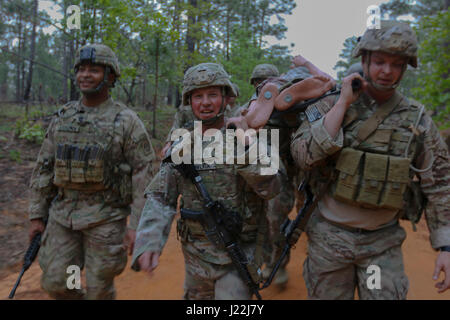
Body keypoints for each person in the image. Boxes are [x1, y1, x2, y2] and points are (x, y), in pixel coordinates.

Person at [290, 20, 450, 299]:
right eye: (379, 61)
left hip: (380, 245)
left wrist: (446, 247)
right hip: (330, 241)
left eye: (396, 64)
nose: (387, 71)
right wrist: (342, 104)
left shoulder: (417, 118)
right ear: (364, 60)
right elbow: (304, 156)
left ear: (405, 67)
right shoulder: (330, 104)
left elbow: (440, 184)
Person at [131, 62, 286, 300]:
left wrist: (245, 148)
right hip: (196, 257)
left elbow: (273, 188)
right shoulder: (182, 144)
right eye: (198, 96)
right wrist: (149, 240)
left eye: (212, 95)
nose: (205, 102)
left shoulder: (251, 135)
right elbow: (161, 196)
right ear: (189, 102)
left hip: (240, 254)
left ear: (226, 98)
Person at [28, 43, 156, 299]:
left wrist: (137, 226)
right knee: (57, 282)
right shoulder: (63, 117)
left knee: (99, 289)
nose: (85, 75)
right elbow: (45, 166)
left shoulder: (126, 121)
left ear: (109, 76)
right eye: (81, 69)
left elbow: (144, 172)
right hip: (63, 217)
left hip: (106, 219)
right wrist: (36, 214)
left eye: (94, 70)